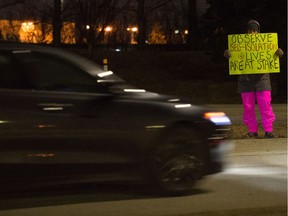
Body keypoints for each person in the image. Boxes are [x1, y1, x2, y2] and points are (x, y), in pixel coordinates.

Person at [224, 19, 284, 138]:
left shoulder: (266, 44)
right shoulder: (240, 44)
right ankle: (252, 131)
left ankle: (268, 130)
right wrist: (229, 54)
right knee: (248, 107)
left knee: (265, 105)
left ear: (258, 32)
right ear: (246, 32)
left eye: (254, 31)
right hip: (245, 80)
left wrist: (278, 53)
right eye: (250, 30)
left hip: (262, 80)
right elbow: (235, 57)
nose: (252, 33)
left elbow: (273, 56)